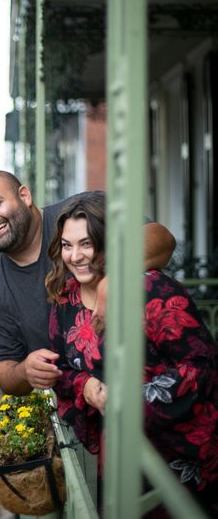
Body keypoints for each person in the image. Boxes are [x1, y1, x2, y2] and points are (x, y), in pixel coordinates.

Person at [46, 192, 218, 517]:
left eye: (86, 243)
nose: (75, 256)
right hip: (118, 461)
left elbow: (201, 365)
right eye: (67, 245)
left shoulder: (152, 290)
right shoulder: (64, 303)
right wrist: (85, 387)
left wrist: (129, 400)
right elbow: (63, 368)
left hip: (177, 458)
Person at [0, 170, 176, 396]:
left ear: (25, 196)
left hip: (163, 385)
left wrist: (116, 278)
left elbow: (161, 239)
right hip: (89, 411)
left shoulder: (80, 213)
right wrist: (24, 371)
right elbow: (3, 367)